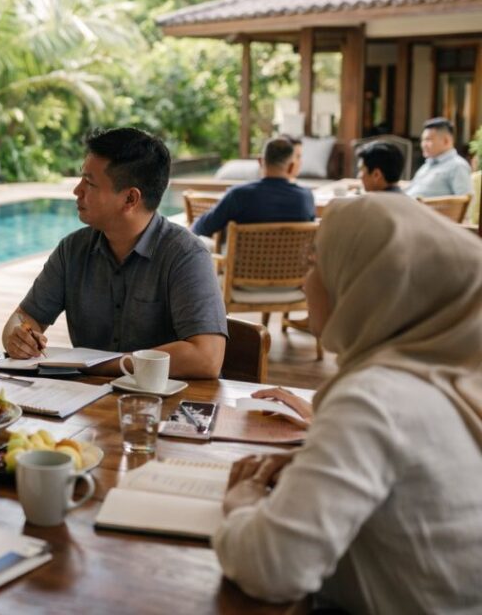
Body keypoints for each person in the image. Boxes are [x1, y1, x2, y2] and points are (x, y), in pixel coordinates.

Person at [214, 193, 482, 612]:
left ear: (366, 284)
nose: (305, 282)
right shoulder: (452, 378)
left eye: (316, 263)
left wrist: (241, 503)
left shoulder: (375, 399)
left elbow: (273, 567)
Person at [1, 128, 227, 379]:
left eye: (90, 182)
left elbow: (206, 358)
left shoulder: (185, 256)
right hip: (85, 406)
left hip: (162, 406)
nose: (77, 190)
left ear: (130, 198)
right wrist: (17, 337)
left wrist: (100, 366)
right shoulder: (72, 250)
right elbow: (23, 318)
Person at [191, 136, 315, 239]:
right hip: (292, 268)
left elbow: (200, 228)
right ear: (291, 167)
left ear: (261, 162)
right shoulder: (306, 198)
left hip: (242, 268)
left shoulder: (238, 195)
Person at [405, 117, 472, 197]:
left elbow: (466, 201)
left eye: (428, 140)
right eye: (422, 140)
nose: (423, 145)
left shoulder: (457, 166)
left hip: (424, 208)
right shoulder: (428, 164)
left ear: (446, 141)